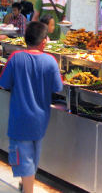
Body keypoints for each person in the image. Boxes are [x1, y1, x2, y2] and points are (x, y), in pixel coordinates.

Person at [0, 21, 63, 193]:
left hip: (19, 119)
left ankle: (28, 190)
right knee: (32, 157)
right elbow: (58, 87)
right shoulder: (50, 61)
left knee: (24, 159)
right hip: (40, 120)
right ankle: (26, 185)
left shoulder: (15, 58)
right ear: (43, 41)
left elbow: (4, 83)